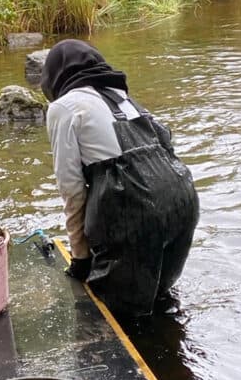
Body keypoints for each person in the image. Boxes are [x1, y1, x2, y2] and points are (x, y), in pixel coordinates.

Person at [40, 39, 199, 317]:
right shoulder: (121, 97)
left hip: (133, 206)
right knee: (161, 301)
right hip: (183, 198)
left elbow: (71, 187)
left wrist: (80, 258)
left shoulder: (63, 107)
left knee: (119, 315)